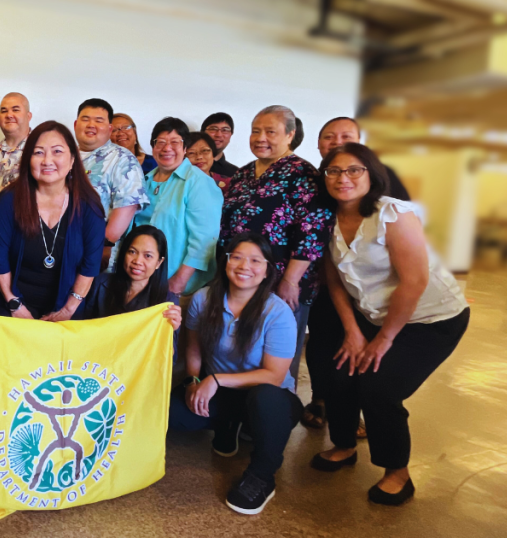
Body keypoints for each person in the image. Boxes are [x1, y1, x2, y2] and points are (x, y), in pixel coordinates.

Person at [309, 143, 470, 506]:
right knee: (338, 371)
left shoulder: (391, 214)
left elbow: (414, 281)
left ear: (371, 175)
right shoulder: (327, 219)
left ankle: (397, 471)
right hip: (371, 315)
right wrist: (352, 331)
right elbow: (334, 280)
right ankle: (345, 445)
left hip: (431, 319)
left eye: (354, 170)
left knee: (379, 386)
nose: (343, 178)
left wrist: (383, 340)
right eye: (334, 171)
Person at [169, 232, 302, 515]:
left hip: (268, 398)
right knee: (171, 412)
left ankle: (262, 475)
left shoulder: (278, 313)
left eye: (255, 260)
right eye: (237, 257)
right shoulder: (204, 298)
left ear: (267, 269)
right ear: (225, 261)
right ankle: (228, 425)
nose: (244, 266)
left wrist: (215, 380)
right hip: (222, 392)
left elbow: (275, 376)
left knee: (266, 399)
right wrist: (194, 380)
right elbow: (193, 348)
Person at [302, 116, 410, 432]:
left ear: (360, 141)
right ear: (319, 144)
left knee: (367, 347)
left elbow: (405, 229)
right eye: (328, 137)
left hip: (372, 285)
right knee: (324, 340)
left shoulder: (383, 177)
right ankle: (322, 400)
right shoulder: (314, 178)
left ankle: (359, 408)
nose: (336, 142)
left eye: (345, 135)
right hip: (327, 277)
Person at [220, 105, 332, 389]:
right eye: (256, 131)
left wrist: (290, 280)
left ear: (290, 135)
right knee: (239, 345)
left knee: (277, 348)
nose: (261, 138)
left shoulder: (303, 175)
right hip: (240, 278)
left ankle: (273, 411)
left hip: (282, 281)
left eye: (270, 131)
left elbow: (312, 231)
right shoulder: (244, 174)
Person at [0, 121, 106, 320]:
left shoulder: (89, 206)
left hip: (70, 306)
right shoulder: (8, 201)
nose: (47, 161)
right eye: (38, 152)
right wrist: (13, 303)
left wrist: (68, 309)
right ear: (28, 160)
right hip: (10, 304)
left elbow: (91, 264)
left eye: (57, 151)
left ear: (72, 160)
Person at [133, 117, 223, 298]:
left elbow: (205, 239)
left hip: (179, 285)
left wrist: (179, 281)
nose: (167, 148)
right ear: (153, 147)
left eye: (175, 142)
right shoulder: (145, 180)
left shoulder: (199, 182)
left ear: (184, 148)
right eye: (160, 142)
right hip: (143, 278)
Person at [75, 98, 148, 268]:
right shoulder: (64, 155)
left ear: (109, 129)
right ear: (75, 124)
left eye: (98, 120)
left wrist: (99, 249)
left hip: (96, 256)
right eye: (85, 119)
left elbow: (126, 208)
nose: (91, 125)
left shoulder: (123, 159)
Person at [84, 225, 182, 337]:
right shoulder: (100, 283)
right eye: (132, 252)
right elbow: (80, 326)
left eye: (148, 256)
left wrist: (171, 330)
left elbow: (168, 353)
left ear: (159, 262)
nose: (138, 261)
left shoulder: (167, 302)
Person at [0, 92, 32, 229]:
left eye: (15, 110)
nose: (9, 115)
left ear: (29, 116)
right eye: (4, 111)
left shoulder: (39, 151)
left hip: (22, 235)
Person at [202, 112, 238, 194]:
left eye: (225, 130)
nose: (218, 134)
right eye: (213, 129)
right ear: (202, 133)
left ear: (231, 135)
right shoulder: (187, 165)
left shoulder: (235, 173)